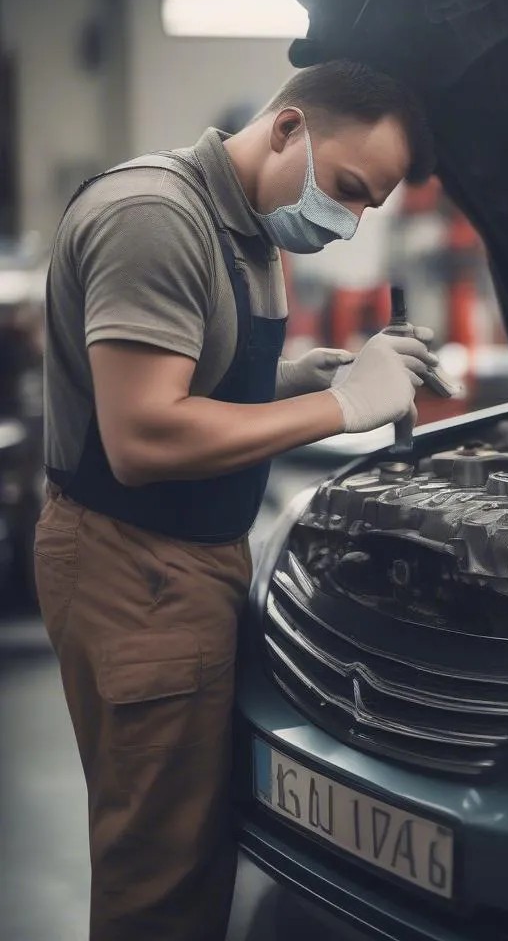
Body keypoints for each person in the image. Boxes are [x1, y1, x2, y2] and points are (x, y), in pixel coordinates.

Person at [33, 59, 442, 941]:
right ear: (288, 128)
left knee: (198, 837)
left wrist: (302, 376)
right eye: (346, 188)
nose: (350, 219)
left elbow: (197, 375)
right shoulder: (157, 219)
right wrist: (338, 407)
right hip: (133, 563)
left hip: (198, 556)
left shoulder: (251, 229)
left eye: (371, 203)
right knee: (162, 867)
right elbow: (142, 439)